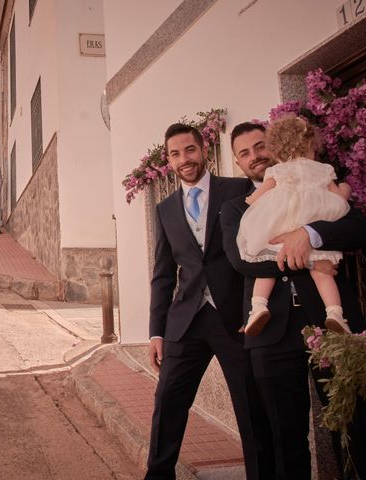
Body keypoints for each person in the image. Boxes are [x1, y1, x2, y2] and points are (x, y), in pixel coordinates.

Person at [221, 121, 366, 480]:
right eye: (244, 153)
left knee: (351, 425)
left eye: (259, 146)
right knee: (284, 437)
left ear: (273, 146)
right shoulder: (237, 208)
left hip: (332, 326)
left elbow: (357, 229)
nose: (254, 156)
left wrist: (309, 233)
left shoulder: (316, 183)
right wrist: (311, 258)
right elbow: (241, 260)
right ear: (237, 162)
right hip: (270, 331)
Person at [145, 123, 265, 480]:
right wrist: (156, 332)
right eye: (175, 154)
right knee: (167, 402)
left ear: (204, 150)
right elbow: (163, 274)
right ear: (168, 160)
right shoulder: (165, 208)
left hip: (234, 319)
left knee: (249, 407)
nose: (184, 159)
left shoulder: (238, 189)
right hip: (186, 321)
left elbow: (255, 250)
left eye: (190, 150)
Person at [237, 116, 351, 335]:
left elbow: (255, 198)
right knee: (324, 274)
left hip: (281, 228)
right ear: (309, 144)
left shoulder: (277, 172)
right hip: (314, 229)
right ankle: (335, 313)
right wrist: (346, 189)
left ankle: (258, 307)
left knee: (266, 265)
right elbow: (340, 201)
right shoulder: (323, 170)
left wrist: (254, 203)